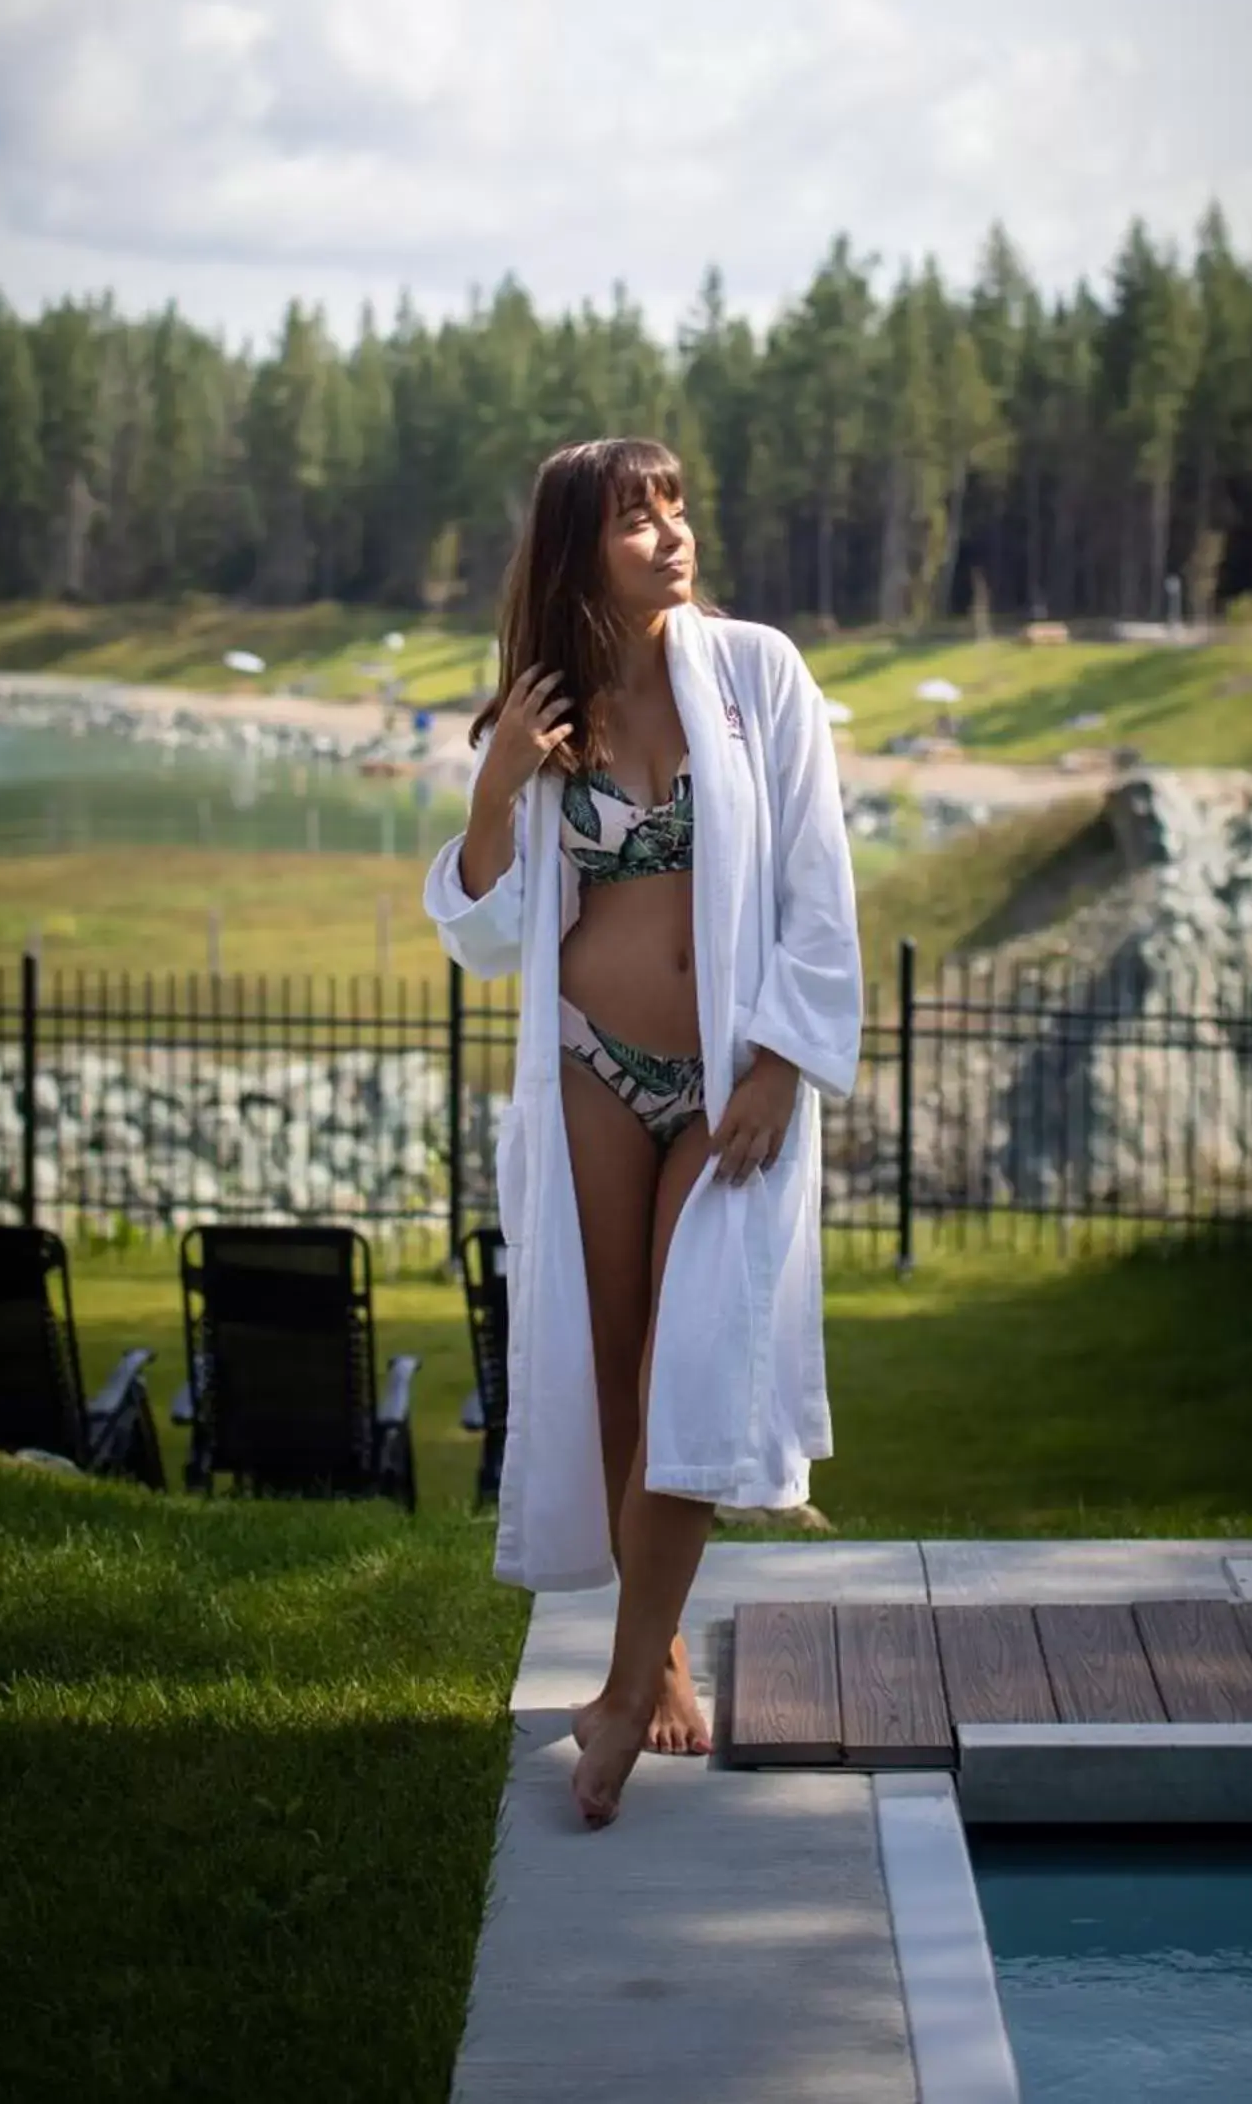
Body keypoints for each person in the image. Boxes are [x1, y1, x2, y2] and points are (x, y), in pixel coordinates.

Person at [422, 436, 863, 1829]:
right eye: (633, 519)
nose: (671, 535)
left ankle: (615, 1694)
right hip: (590, 1076)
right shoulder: (542, 715)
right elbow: (487, 936)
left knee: (690, 1358)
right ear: (575, 546)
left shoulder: (757, 673)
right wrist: (497, 783)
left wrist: (786, 1062)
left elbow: (817, 878)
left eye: (676, 508)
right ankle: (657, 1654)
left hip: (727, 1084)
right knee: (614, 1366)